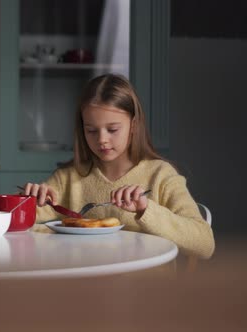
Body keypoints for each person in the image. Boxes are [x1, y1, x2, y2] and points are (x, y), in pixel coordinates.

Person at [23, 74, 214, 259]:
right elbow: (15, 224)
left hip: (149, 287)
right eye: (91, 130)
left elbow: (205, 244)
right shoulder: (69, 178)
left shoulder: (160, 176)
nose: (102, 140)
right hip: (86, 285)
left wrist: (146, 209)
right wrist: (28, 201)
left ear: (134, 125)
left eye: (113, 129)